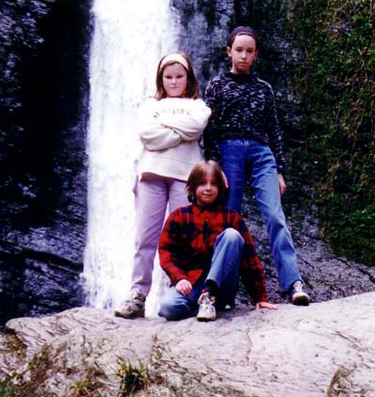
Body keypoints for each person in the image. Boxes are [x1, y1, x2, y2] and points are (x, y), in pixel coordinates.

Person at [203, 26, 310, 305]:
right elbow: (209, 128)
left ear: (256, 55)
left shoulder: (264, 89)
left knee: (275, 216)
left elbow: (274, 129)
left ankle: (293, 283)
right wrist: (214, 164)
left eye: (249, 51)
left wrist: (279, 170)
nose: (243, 55)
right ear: (229, 52)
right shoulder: (216, 85)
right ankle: (221, 290)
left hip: (262, 154)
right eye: (239, 50)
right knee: (228, 220)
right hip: (229, 151)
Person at [114, 52, 211, 319]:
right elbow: (147, 135)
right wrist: (180, 132)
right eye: (168, 77)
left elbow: (196, 127)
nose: (174, 81)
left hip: (186, 177)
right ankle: (137, 294)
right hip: (151, 176)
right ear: (161, 79)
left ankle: (182, 293)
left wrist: (165, 127)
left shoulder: (199, 106)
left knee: (186, 240)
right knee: (145, 238)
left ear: (189, 78)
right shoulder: (148, 106)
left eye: (180, 76)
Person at [158, 160, 278, 321]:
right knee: (167, 307)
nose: (208, 188)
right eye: (202, 184)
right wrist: (179, 278)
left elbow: (250, 260)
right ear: (192, 187)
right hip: (193, 283)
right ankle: (207, 305)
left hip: (224, 285)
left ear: (221, 188)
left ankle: (210, 296)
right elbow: (166, 252)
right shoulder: (179, 217)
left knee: (232, 235)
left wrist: (260, 298)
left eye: (213, 184)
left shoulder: (232, 218)